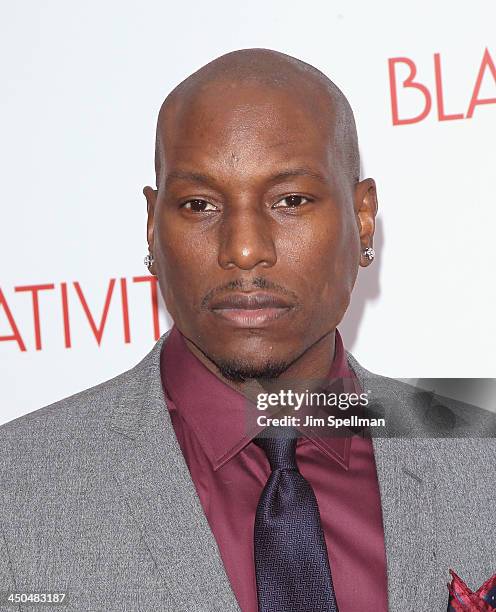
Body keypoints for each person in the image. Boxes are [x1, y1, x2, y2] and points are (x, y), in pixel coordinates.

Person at [0, 49, 495, 612]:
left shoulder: (481, 463)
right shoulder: (14, 494)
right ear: (151, 225)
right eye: (199, 204)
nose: (243, 249)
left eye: (290, 200)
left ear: (362, 218)